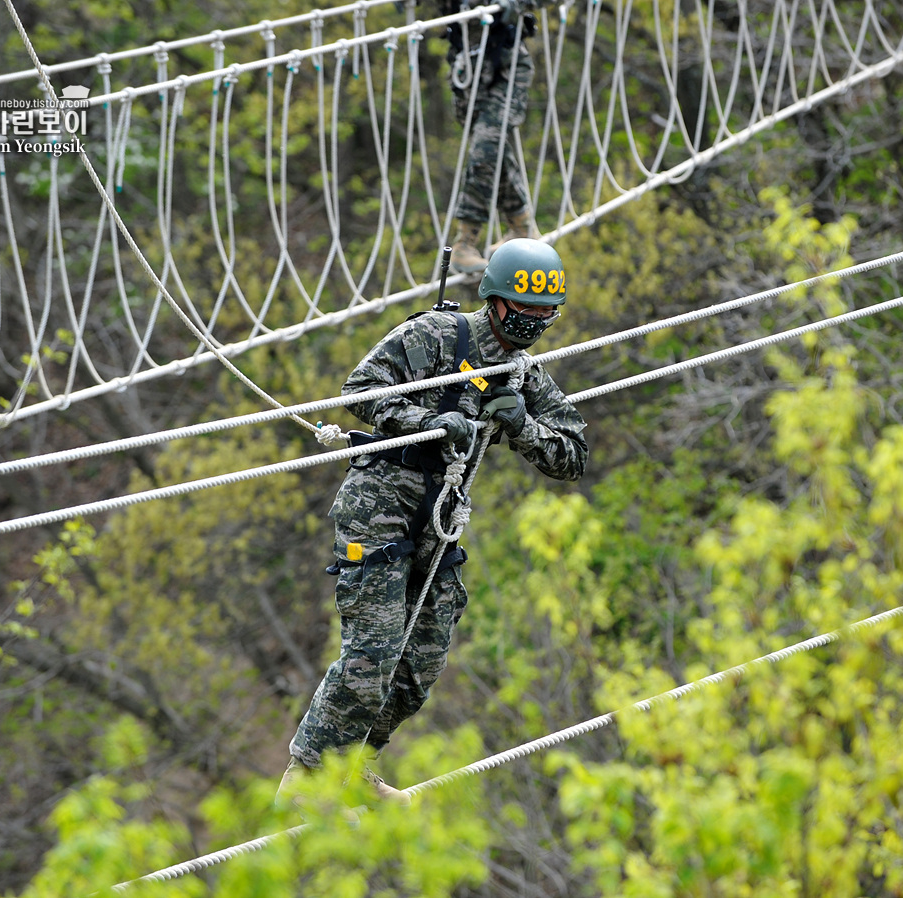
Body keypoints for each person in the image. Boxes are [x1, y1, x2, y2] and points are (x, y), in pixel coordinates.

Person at [279, 238, 587, 806]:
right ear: (494, 301)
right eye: (524, 312)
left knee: (420, 664)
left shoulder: (523, 376)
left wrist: (523, 428)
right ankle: (305, 780)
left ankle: (352, 769)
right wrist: (430, 418)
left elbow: (573, 455)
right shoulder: (434, 337)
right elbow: (360, 390)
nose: (533, 325)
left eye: (546, 315)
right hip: (378, 514)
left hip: (437, 528)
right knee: (373, 652)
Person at [440, 0, 547, 274]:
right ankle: (522, 227)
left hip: (507, 66)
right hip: (468, 73)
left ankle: (464, 242)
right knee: (493, 151)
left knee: (486, 148)